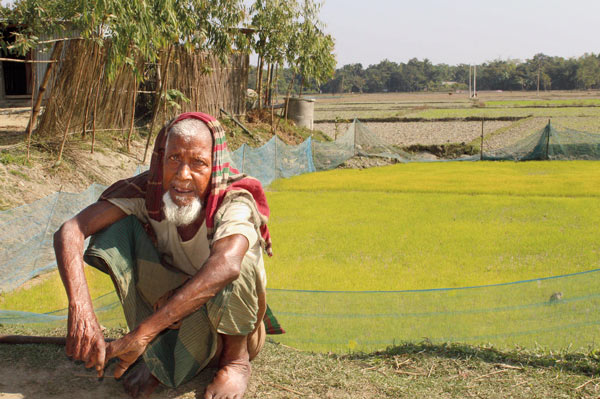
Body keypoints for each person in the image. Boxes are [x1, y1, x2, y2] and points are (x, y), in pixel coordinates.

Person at [53, 112, 280, 399]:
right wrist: (80, 310)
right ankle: (158, 355)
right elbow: (70, 230)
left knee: (239, 261)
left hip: (228, 330)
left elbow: (227, 264)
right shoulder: (148, 193)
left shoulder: (233, 200)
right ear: (161, 160)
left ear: (214, 166)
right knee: (116, 231)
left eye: (198, 163)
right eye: (174, 159)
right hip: (170, 323)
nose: (183, 174)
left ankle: (235, 363)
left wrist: (143, 333)